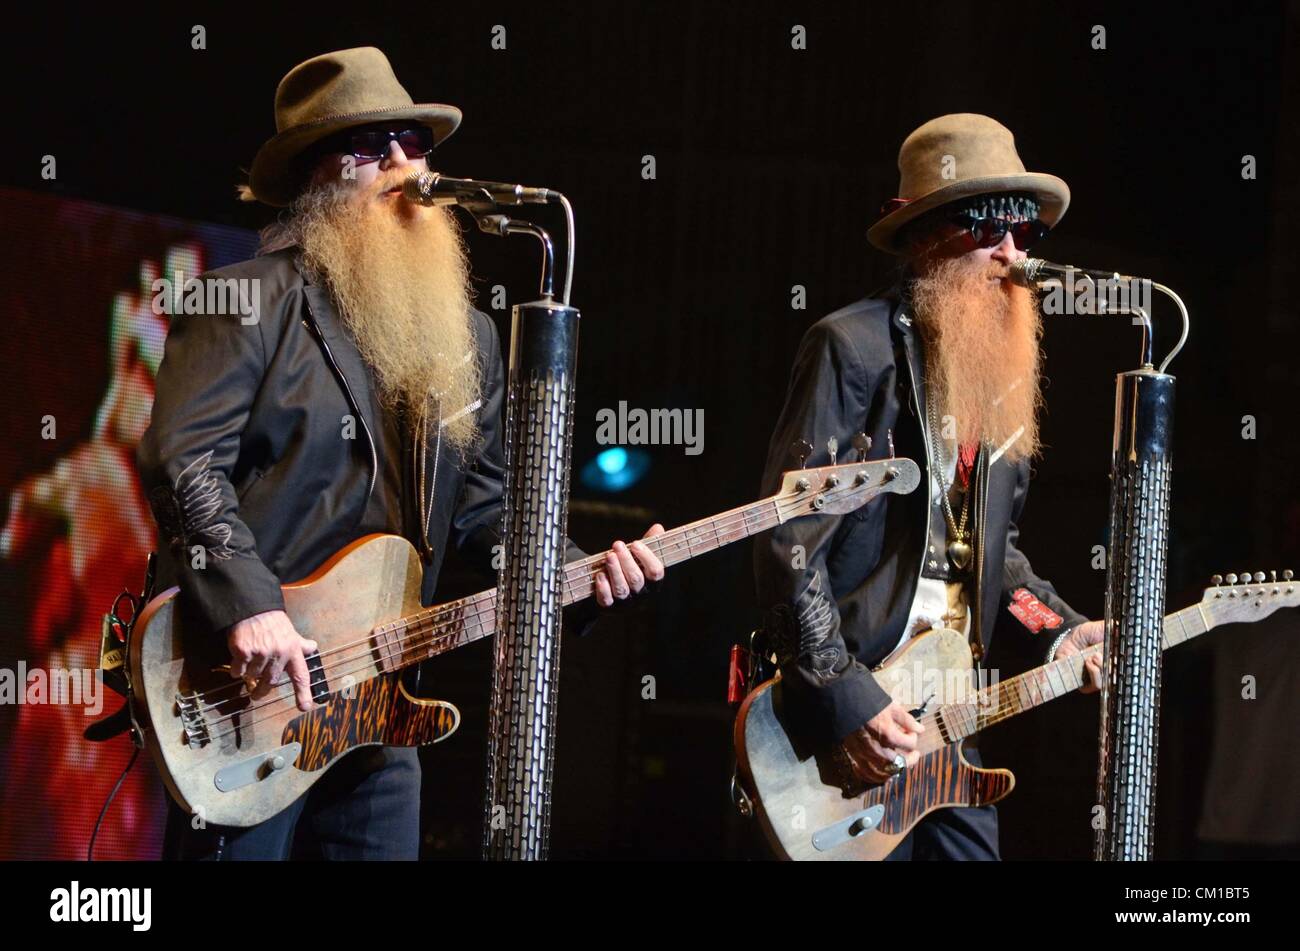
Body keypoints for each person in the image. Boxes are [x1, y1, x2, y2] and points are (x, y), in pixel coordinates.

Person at [137, 47, 663, 860]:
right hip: (252, 697)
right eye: (369, 146)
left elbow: (487, 512)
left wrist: (578, 574)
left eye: (414, 144)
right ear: (317, 179)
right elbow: (182, 459)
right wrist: (250, 605)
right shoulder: (244, 299)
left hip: (380, 710)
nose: (403, 165)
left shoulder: (468, 340)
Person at [753, 113, 1104, 860]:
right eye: (987, 227)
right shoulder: (852, 348)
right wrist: (847, 695)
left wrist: (1060, 629)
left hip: (949, 724)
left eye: (1025, 232)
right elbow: (786, 541)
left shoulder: (999, 377)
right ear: (923, 236)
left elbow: (991, 554)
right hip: (850, 728)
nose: (1011, 252)